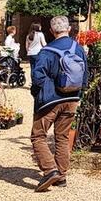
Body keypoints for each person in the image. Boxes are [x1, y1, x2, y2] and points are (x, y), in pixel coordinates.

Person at [30, 15, 88, 192]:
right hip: (72, 99)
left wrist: (37, 93)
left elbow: (37, 77)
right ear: (68, 29)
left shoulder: (46, 51)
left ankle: (50, 170)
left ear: (51, 31)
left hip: (50, 100)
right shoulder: (78, 49)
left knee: (38, 135)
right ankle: (61, 176)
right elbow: (85, 75)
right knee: (62, 136)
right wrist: (78, 94)